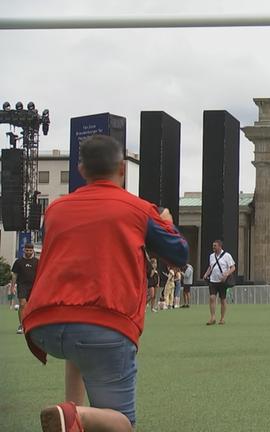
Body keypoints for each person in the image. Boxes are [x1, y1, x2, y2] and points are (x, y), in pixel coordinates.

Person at [22, 134, 189, 431]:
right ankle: (79, 416)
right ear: (122, 169)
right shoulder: (138, 210)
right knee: (121, 423)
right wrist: (166, 222)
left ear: (82, 170)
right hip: (103, 325)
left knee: (80, 341)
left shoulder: (55, 210)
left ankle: (71, 417)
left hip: (43, 325)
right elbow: (179, 254)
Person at [202, 240, 236, 325]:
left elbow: (233, 267)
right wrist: (206, 274)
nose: (213, 247)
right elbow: (211, 266)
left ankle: (222, 318)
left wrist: (227, 274)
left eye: (215, 246)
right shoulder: (211, 256)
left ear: (220, 246)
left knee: (222, 299)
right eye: (213, 246)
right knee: (212, 298)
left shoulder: (227, 256)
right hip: (213, 280)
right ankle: (213, 317)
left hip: (223, 281)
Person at [11, 243, 38, 334]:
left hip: (34, 286)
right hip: (22, 286)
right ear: (24, 250)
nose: (29, 252)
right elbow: (15, 275)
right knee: (22, 304)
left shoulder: (37, 262)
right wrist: (12, 287)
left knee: (31, 307)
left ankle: (31, 325)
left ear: (33, 251)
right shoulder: (18, 262)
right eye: (27, 250)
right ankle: (22, 325)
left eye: (30, 250)